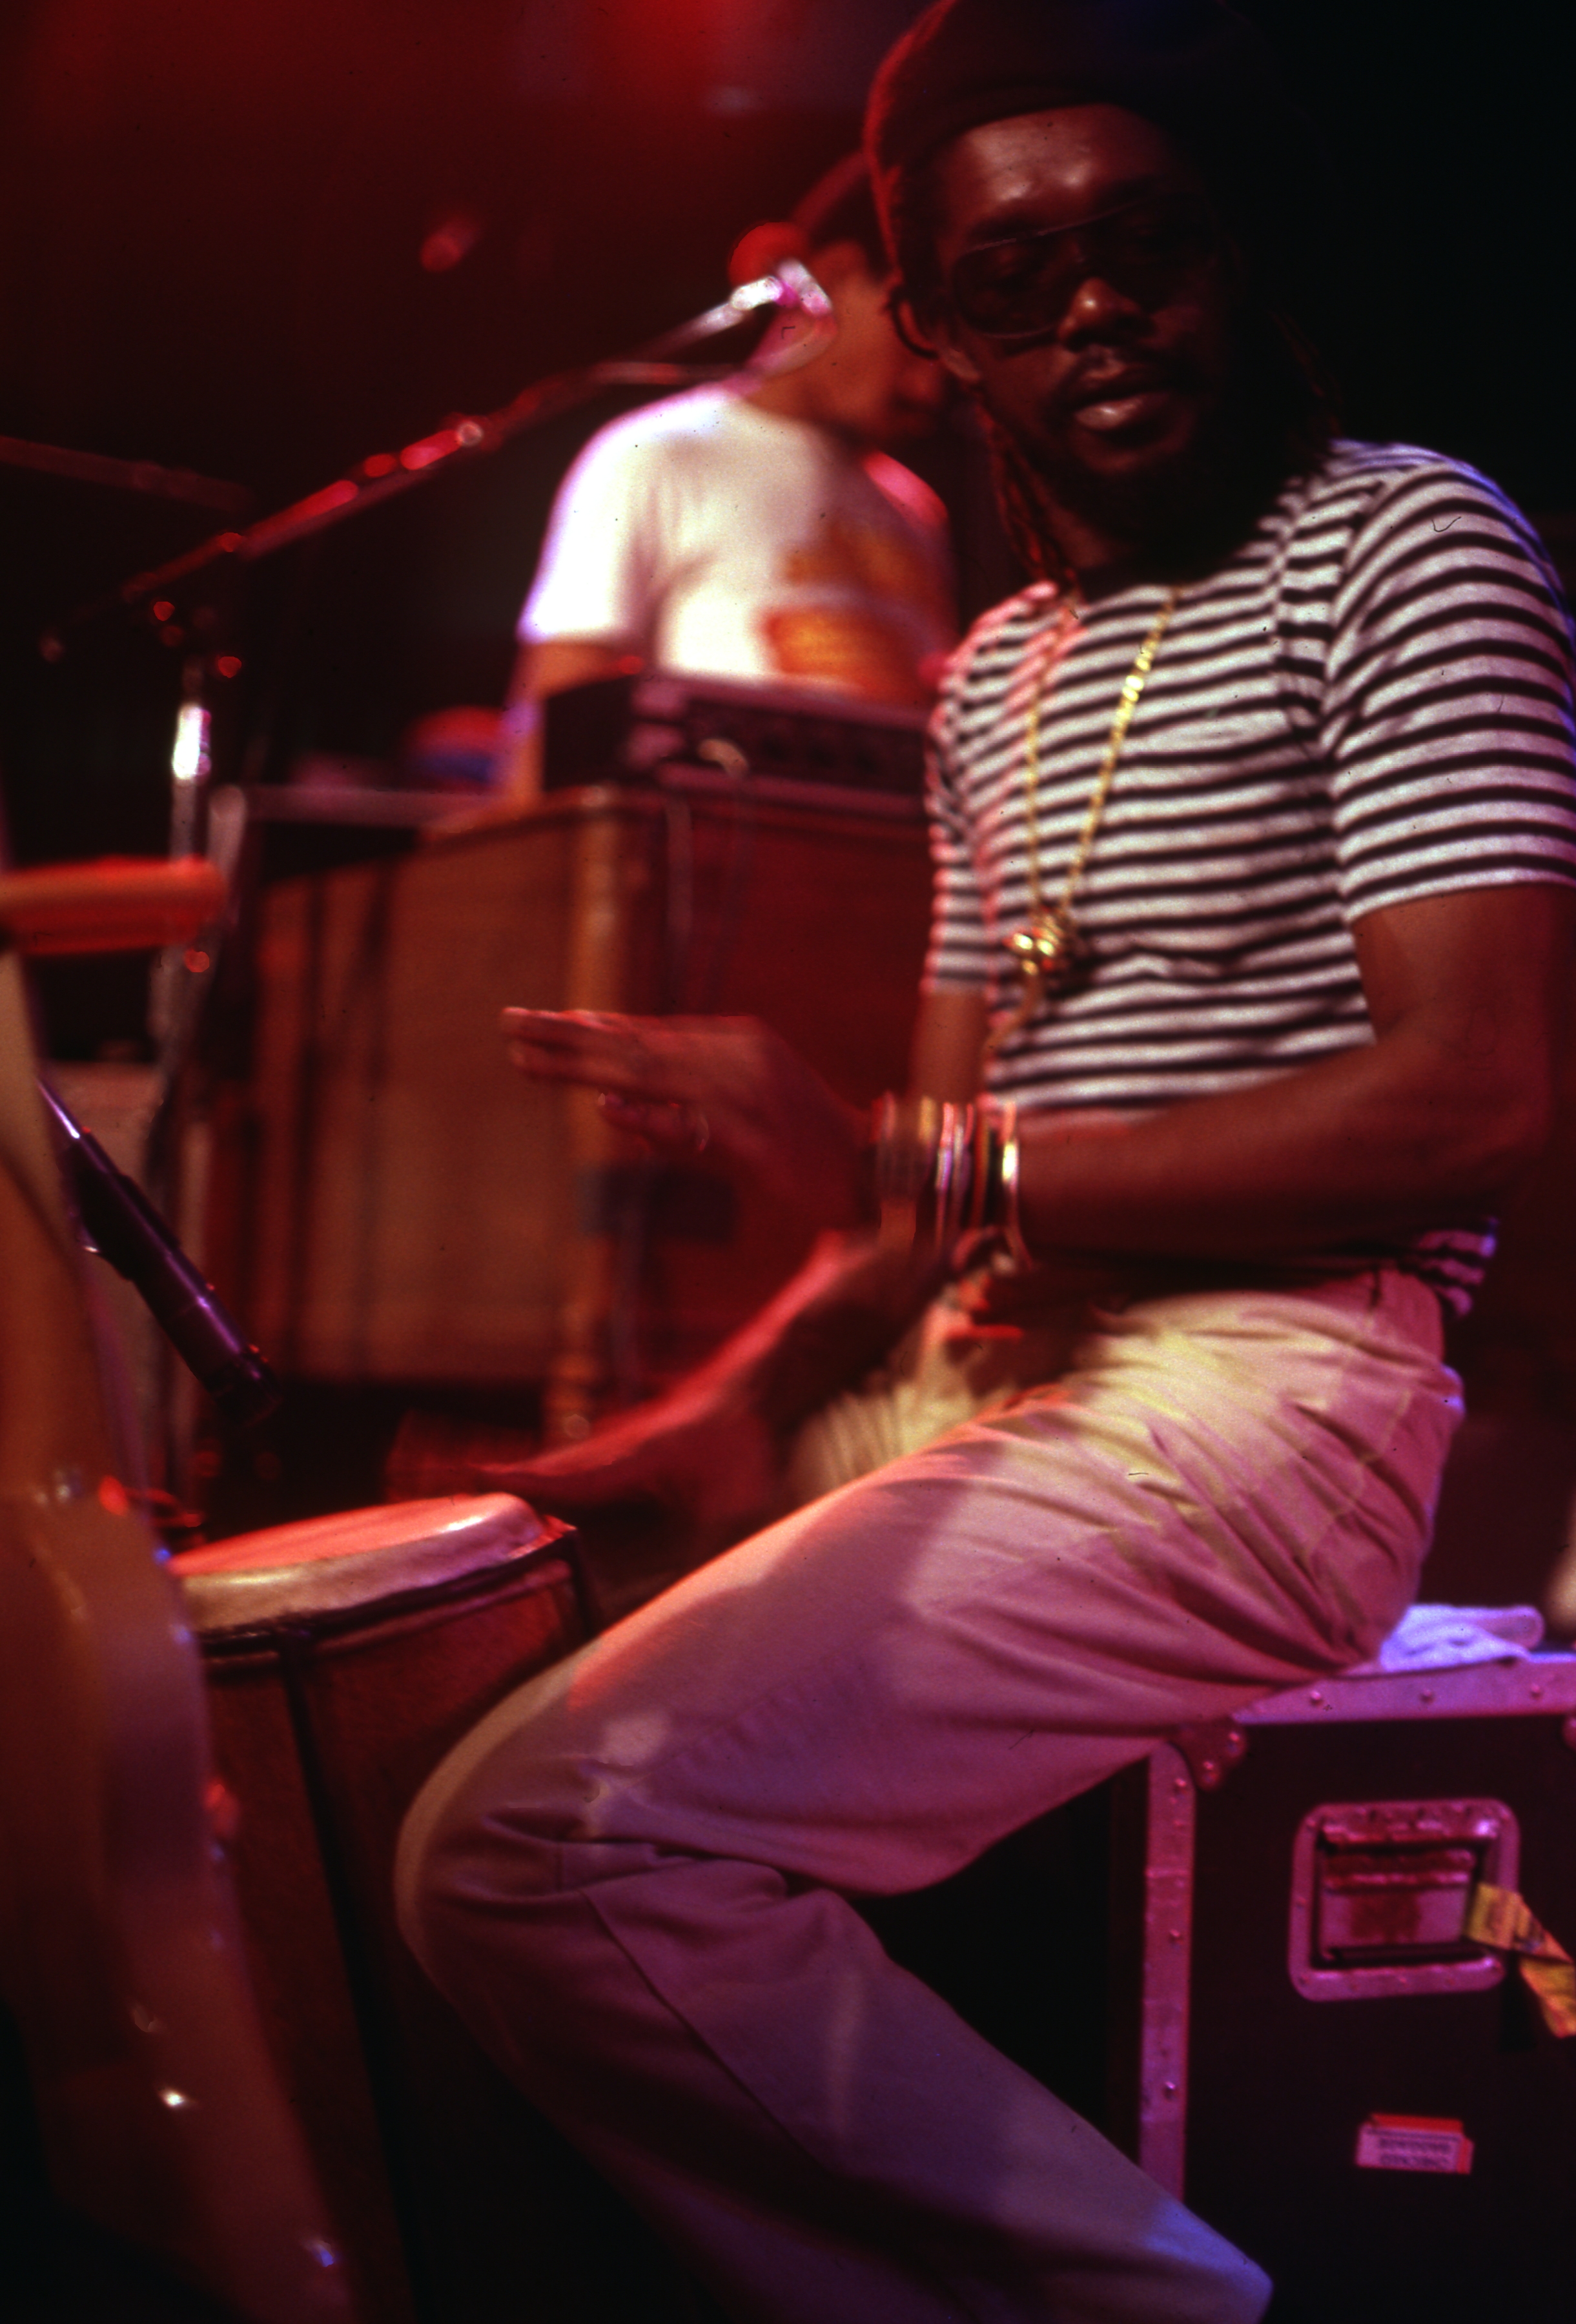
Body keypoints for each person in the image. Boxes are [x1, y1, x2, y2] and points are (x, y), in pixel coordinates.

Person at [395, 3, 1576, 2318]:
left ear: (1230, 258)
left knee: (545, 1855)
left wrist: (914, 1166)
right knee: (458, 1768)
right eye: (1012, 281)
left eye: (1140, 243)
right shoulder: (995, 671)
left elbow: (1474, 1095)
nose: (1092, 310)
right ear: (928, 331)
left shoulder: (1400, 544)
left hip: (1268, 1390)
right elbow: (921, 1186)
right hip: (1008, 1374)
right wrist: (740, 1392)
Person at [488, 153, 956, 810]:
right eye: (915, 344)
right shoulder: (657, 453)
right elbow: (557, 716)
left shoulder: (913, 508)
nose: (931, 388)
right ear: (839, 276)